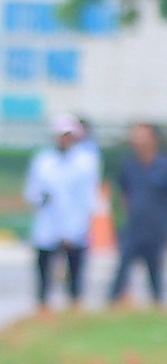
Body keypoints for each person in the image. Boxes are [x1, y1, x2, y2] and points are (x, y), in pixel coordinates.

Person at [25, 112, 102, 310]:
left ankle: (74, 307)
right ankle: (43, 306)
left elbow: (89, 197)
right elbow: (32, 191)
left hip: (74, 225)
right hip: (48, 224)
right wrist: (42, 197)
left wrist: (76, 227)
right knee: (44, 272)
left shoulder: (86, 162)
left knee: (75, 274)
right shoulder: (43, 161)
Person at [112, 120, 167, 306]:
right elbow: (124, 194)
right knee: (123, 265)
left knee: (155, 269)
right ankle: (115, 301)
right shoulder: (129, 166)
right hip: (134, 226)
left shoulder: (162, 166)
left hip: (156, 227)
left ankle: (157, 303)